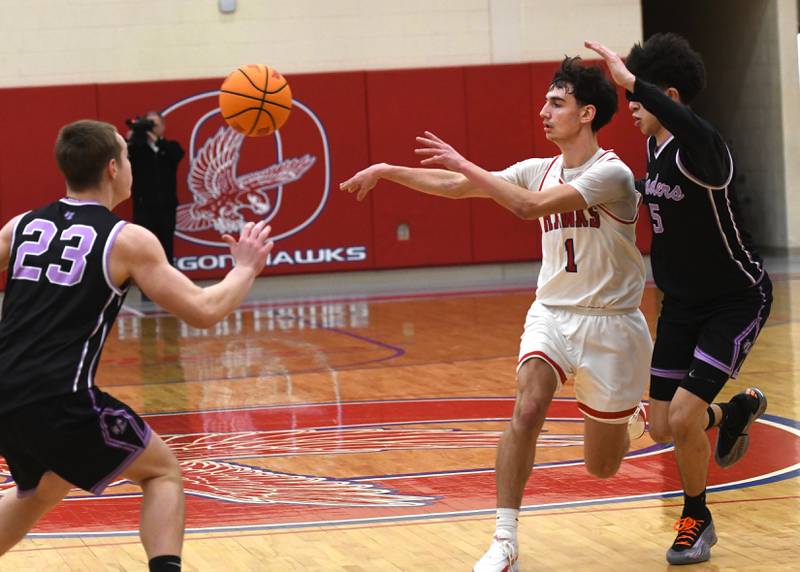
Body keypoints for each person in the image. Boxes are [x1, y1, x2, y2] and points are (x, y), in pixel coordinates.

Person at [341, 57, 652, 572]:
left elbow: (528, 208)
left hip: (612, 323)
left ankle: (629, 421)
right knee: (528, 407)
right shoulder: (538, 168)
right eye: (545, 102)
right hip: (552, 310)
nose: (544, 111)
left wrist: (466, 164)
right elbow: (456, 187)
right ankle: (504, 540)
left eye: (557, 103)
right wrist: (387, 171)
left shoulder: (612, 174)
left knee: (602, 466)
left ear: (587, 113)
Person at [0, 120, 273, 571]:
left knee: (41, 490)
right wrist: (244, 269)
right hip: (59, 397)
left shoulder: (22, 226)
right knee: (161, 470)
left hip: (6, 394)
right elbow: (202, 310)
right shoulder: (125, 238)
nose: (131, 167)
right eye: (127, 158)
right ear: (112, 168)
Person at [587, 35, 770, 565]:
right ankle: (733, 411)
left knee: (685, 416)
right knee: (665, 423)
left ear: (666, 94)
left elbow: (689, 125)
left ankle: (696, 517)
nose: (631, 109)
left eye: (638, 100)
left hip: (736, 298)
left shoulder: (704, 149)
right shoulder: (654, 146)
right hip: (681, 305)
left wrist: (628, 79)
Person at [127, 111, 185, 266]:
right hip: (143, 207)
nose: (151, 128)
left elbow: (177, 155)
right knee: (143, 247)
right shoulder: (136, 148)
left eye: (154, 125)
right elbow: (124, 157)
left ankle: (169, 285)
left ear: (163, 127)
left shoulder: (171, 146)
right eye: (148, 124)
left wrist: (157, 141)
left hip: (166, 207)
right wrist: (131, 139)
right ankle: (146, 287)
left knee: (166, 246)